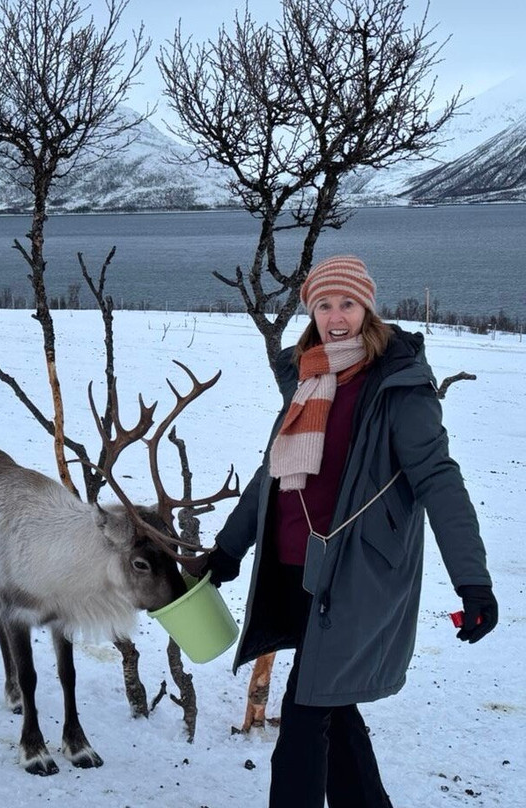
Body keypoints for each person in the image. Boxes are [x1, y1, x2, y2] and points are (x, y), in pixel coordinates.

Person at [199, 255, 498, 808]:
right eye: (325, 305)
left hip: (357, 573)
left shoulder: (398, 384)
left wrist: (472, 582)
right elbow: (273, 474)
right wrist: (228, 550)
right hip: (294, 565)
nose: (337, 317)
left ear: (368, 308)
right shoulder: (308, 374)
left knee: (306, 713)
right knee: (332, 704)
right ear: (313, 312)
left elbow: (438, 478)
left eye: (348, 304)